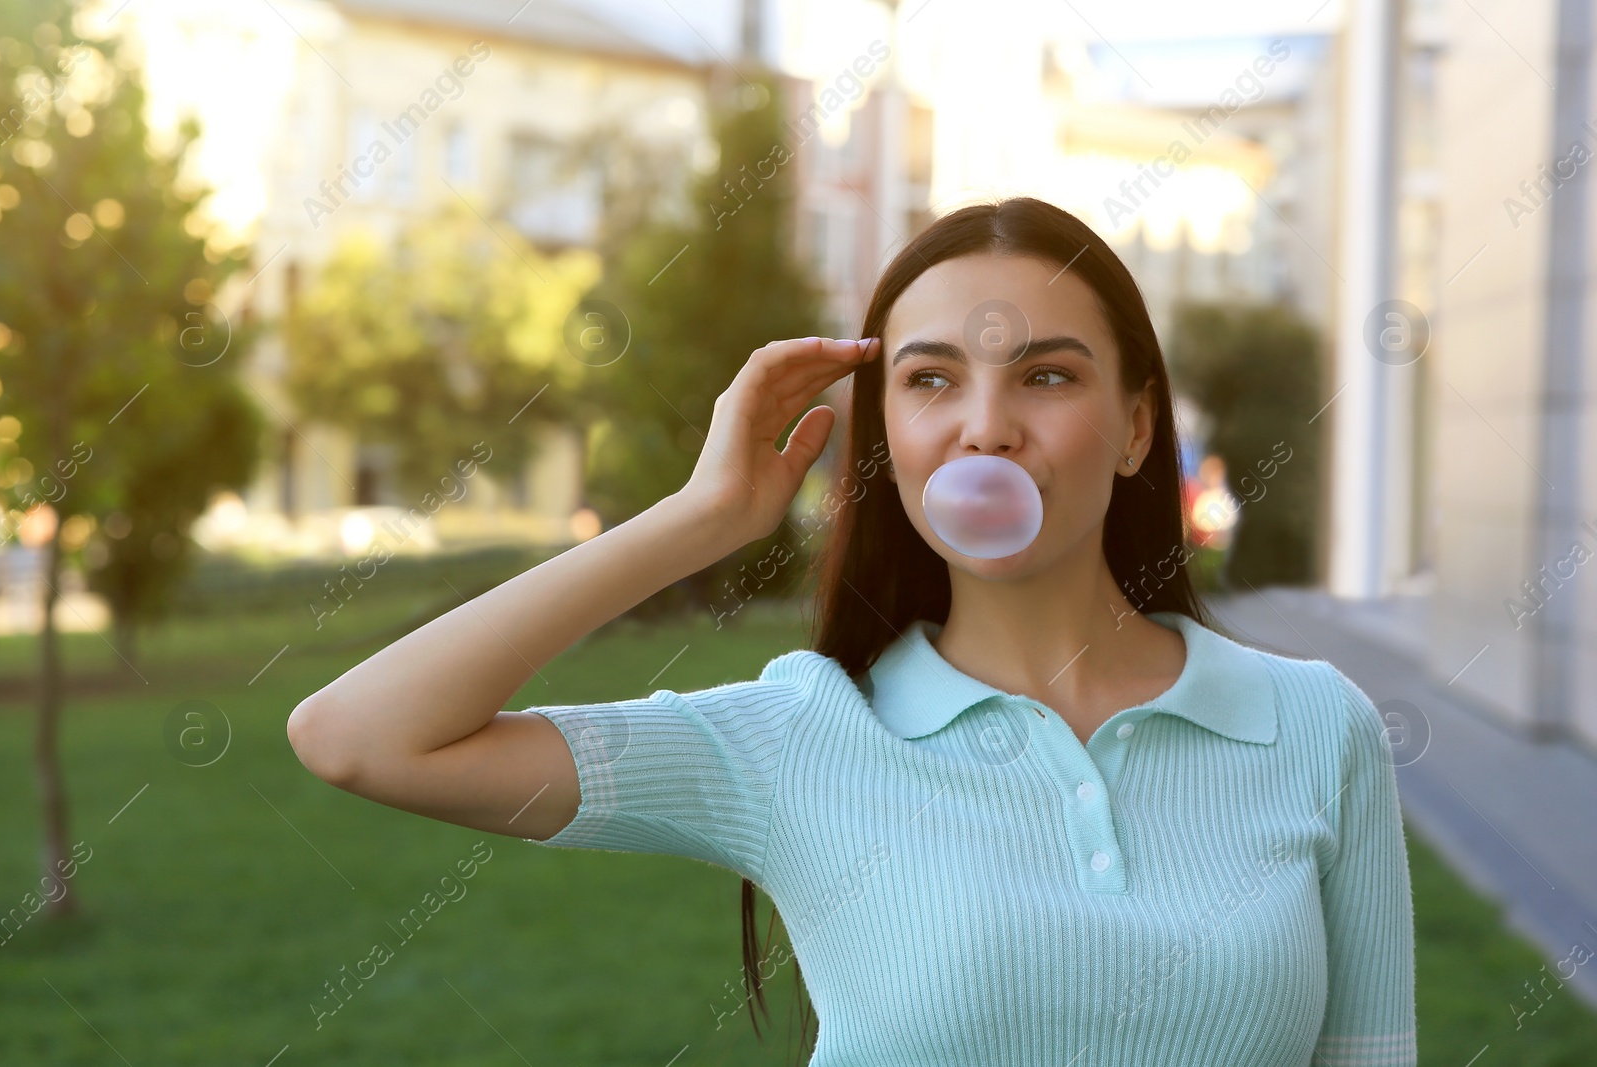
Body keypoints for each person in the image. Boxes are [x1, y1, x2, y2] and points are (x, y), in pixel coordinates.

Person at [287, 196, 1417, 1066]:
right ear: (887, 434)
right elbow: (360, 735)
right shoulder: (800, 733)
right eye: (931, 379)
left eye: (1046, 374)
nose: (986, 428)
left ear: (1133, 428)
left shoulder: (1315, 725)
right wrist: (700, 521)